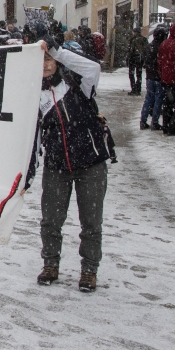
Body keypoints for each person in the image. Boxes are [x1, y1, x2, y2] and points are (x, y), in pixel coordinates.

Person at [28, 37, 108, 293]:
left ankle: (89, 270)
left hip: (90, 164)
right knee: (51, 221)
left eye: (49, 59)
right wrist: (28, 173)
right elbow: (33, 139)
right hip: (56, 167)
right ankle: (51, 264)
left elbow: (93, 68)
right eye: (40, 60)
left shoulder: (78, 85)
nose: (45, 64)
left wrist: (55, 50)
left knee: (91, 223)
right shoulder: (32, 96)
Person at [140, 25, 168, 130]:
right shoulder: (162, 47)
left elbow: (144, 60)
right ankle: (154, 121)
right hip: (159, 77)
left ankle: (143, 120)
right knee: (158, 99)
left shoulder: (149, 46)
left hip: (149, 76)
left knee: (148, 99)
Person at [127, 26, 148, 96]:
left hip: (133, 58)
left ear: (135, 32)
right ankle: (138, 89)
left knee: (131, 74)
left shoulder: (133, 39)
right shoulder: (144, 39)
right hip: (140, 59)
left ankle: (133, 89)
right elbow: (146, 50)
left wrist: (128, 58)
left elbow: (131, 50)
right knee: (139, 74)